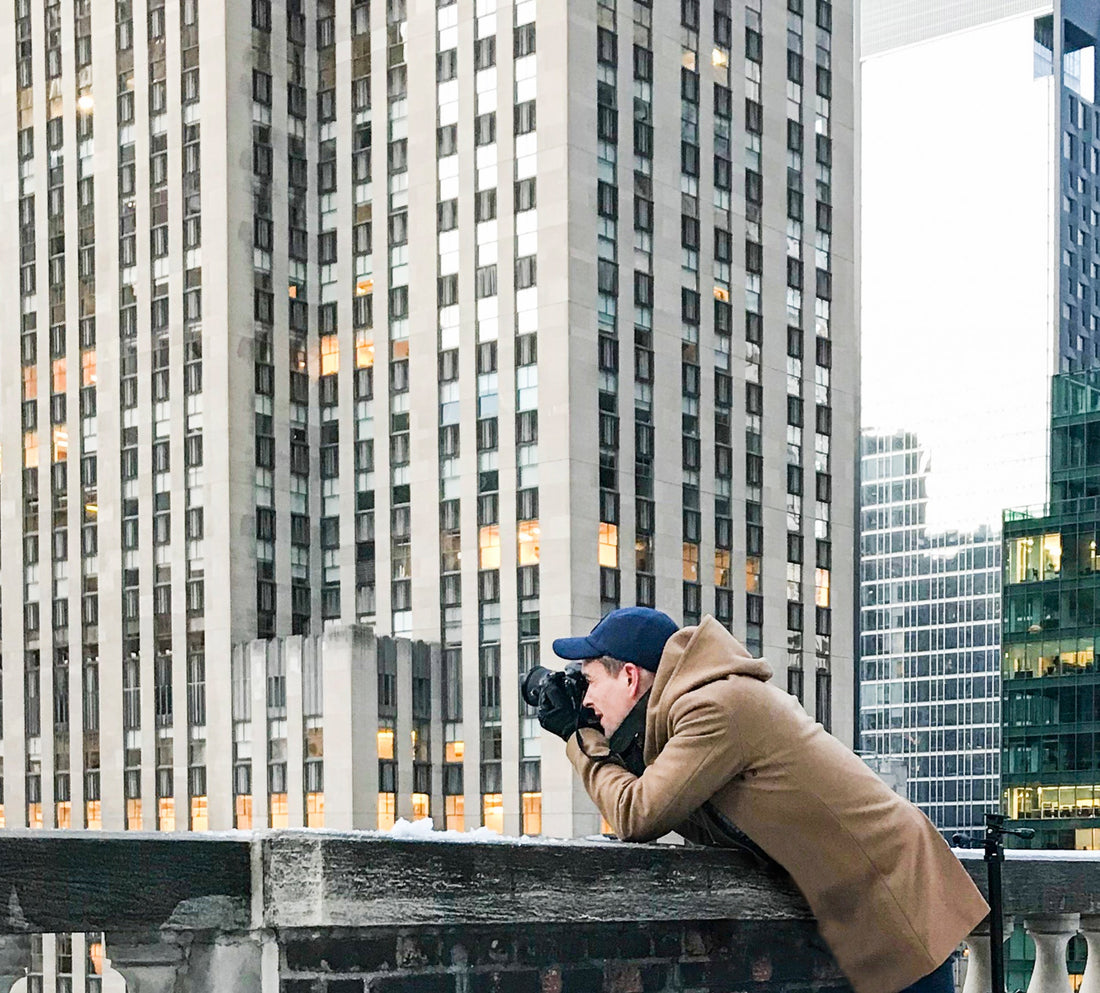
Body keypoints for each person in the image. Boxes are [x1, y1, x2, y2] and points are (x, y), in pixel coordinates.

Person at [536, 607, 989, 993]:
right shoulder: (700, 706)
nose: (586, 698)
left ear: (630, 677)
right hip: (858, 897)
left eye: (589, 681)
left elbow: (636, 815)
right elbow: (676, 801)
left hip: (893, 896)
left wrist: (581, 738)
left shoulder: (716, 706)